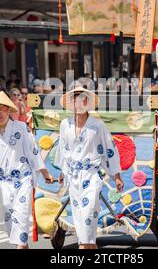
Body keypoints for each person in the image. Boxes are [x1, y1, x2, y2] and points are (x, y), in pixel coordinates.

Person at [0, 91, 54, 249]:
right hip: (4, 182)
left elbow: (33, 151)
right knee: (11, 223)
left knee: (21, 217)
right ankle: (22, 245)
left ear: (9, 110)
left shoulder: (21, 128)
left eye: (1, 109)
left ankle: (21, 245)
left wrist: (44, 172)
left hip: (23, 179)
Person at [56, 87, 124, 249]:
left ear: (87, 103)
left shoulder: (97, 125)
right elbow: (63, 149)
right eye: (75, 100)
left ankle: (84, 245)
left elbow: (109, 149)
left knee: (88, 215)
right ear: (71, 103)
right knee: (80, 221)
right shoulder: (65, 124)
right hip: (74, 178)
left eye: (83, 100)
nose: (79, 103)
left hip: (91, 176)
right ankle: (87, 245)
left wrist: (117, 176)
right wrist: (63, 171)